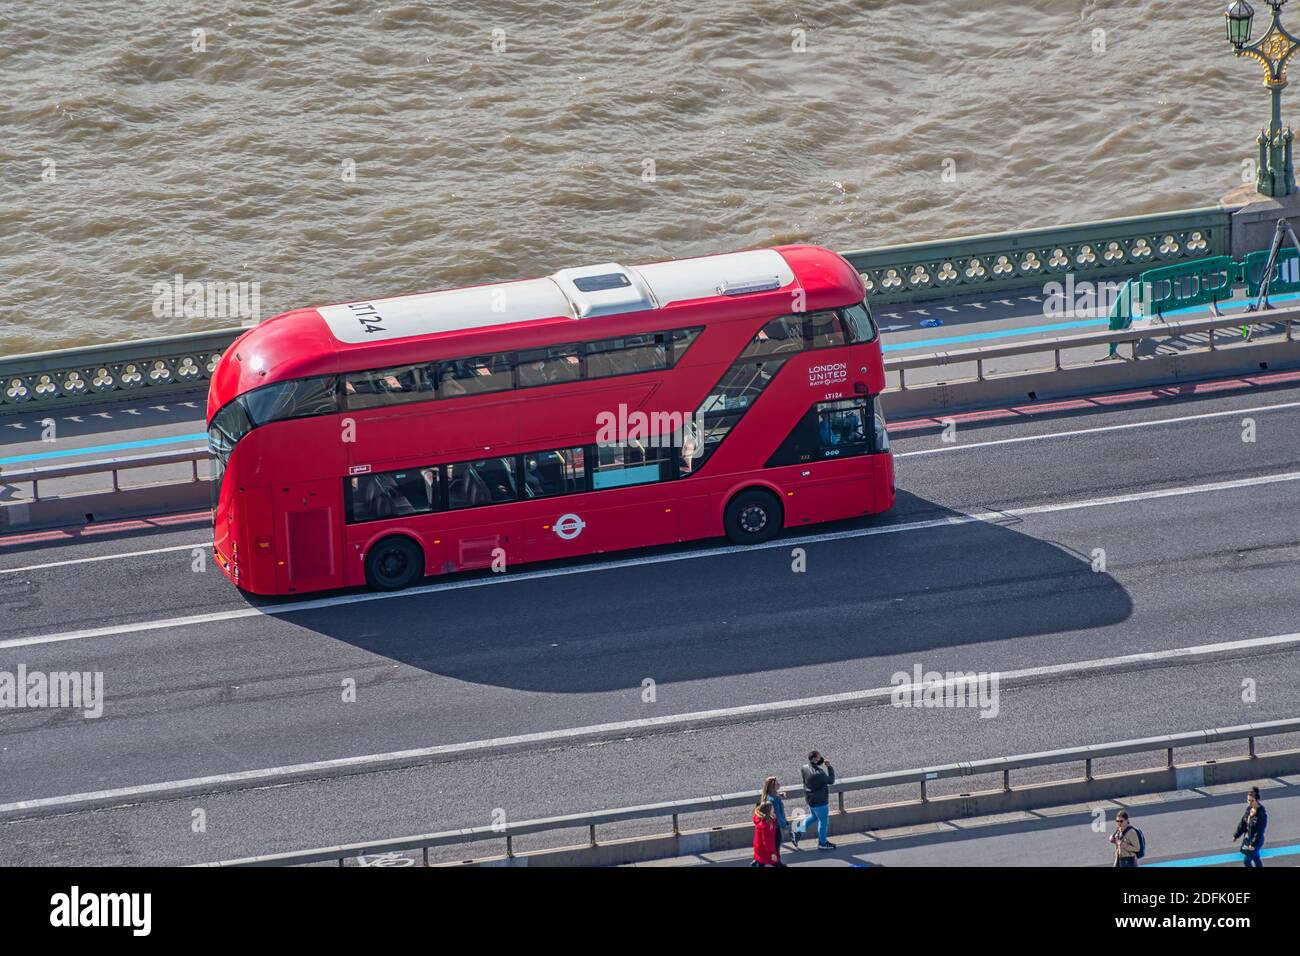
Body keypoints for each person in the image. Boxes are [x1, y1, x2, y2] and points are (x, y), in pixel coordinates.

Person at [792, 750, 836, 850]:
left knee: (813, 817)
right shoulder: (819, 773)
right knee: (823, 822)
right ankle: (822, 842)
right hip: (820, 801)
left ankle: (797, 832)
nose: (821, 758)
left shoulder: (804, 768)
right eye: (819, 757)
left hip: (810, 799)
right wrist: (829, 767)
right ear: (814, 759)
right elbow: (831, 780)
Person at [1233, 787, 1268, 868]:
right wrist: (1236, 835)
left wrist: (1253, 844)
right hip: (1248, 838)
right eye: (1248, 800)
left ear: (1257, 800)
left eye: (1252, 800)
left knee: (1246, 861)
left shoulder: (1261, 814)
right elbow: (1243, 823)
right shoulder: (1249, 809)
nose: (1250, 802)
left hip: (1257, 840)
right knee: (1256, 858)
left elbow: (1259, 831)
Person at [760, 777, 790, 861]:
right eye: (777, 784)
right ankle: (777, 862)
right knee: (776, 845)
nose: (779, 784)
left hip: (771, 825)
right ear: (772, 787)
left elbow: (773, 795)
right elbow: (778, 814)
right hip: (775, 826)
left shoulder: (768, 796)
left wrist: (779, 795)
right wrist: (785, 824)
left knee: (772, 846)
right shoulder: (774, 799)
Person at [751, 801, 782, 867]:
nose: (773, 809)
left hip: (759, 848)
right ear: (768, 811)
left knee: (761, 862)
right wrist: (772, 853)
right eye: (772, 808)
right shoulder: (767, 825)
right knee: (775, 863)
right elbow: (767, 841)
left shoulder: (759, 818)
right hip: (765, 851)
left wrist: (774, 818)